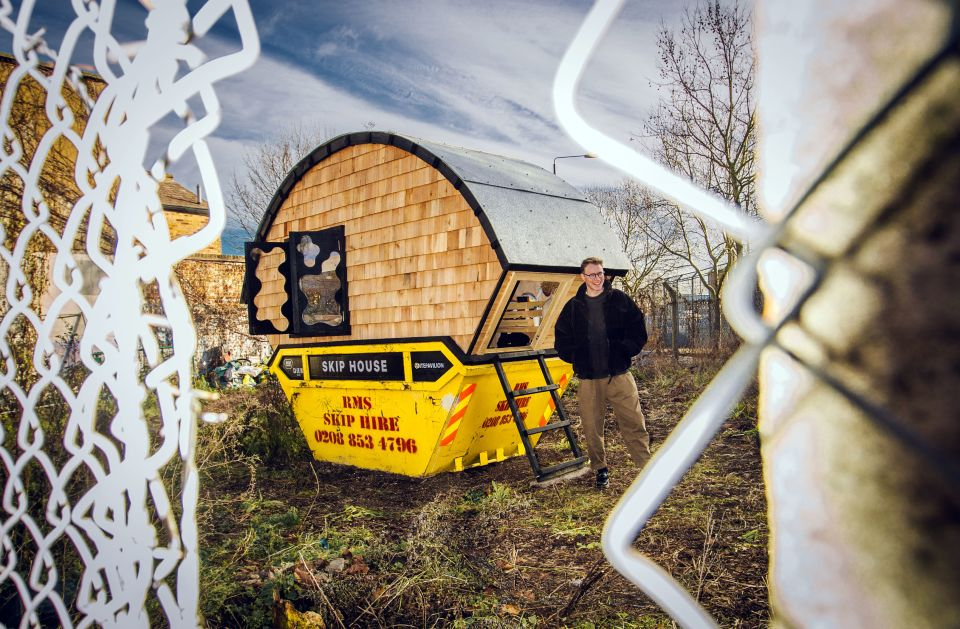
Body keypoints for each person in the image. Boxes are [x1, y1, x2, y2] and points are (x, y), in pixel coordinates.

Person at [554, 257, 651, 489]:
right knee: (591, 426)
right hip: (589, 379)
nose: (597, 279)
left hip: (619, 374)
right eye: (592, 275)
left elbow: (638, 329)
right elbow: (562, 341)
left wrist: (624, 350)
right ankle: (600, 469)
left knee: (634, 421)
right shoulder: (573, 307)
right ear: (583, 277)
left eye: (600, 274)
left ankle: (645, 467)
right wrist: (578, 358)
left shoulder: (620, 300)